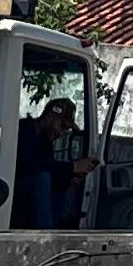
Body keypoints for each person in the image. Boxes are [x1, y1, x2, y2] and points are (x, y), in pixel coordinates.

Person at [17, 91, 92, 231]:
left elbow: (49, 170)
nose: (61, 133)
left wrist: (69, 179)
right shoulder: (24, 130)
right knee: (43, 179)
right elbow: (32, 166)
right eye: (62, 126)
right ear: (50, 116)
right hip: (16, 187)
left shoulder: (46, 141)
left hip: (29, 192)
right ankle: (46, 231)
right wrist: (72, 167)